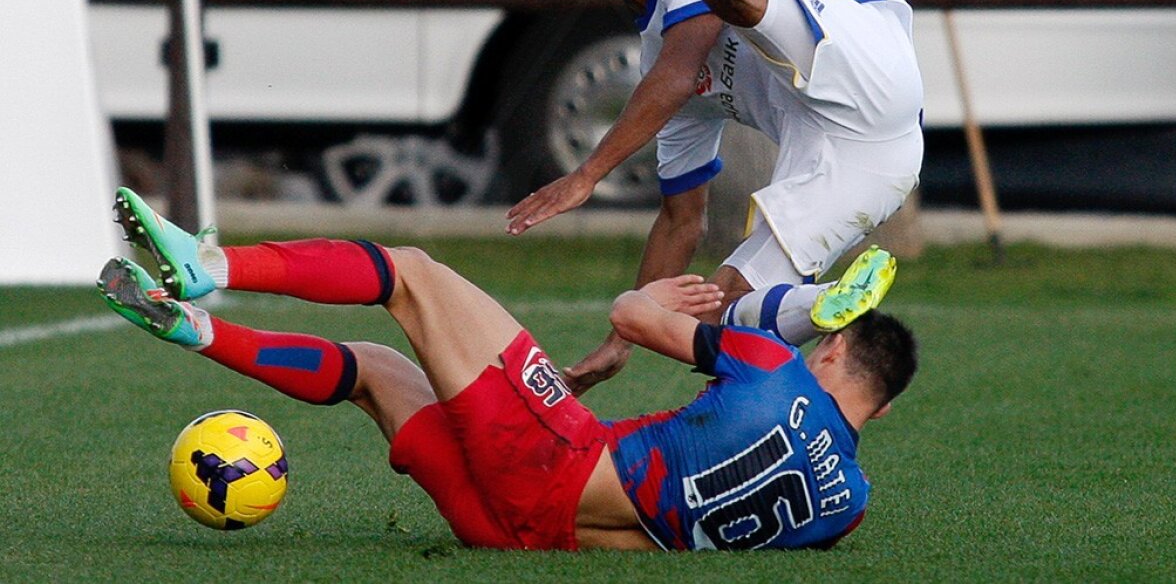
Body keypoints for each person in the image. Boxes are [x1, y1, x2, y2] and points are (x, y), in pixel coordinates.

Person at [99, 186, 917, 551]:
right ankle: (197, 329)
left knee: (412, 273)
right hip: (520, 537)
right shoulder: (847, 507)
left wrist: (658, 296)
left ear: (831, 347)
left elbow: (630, 318)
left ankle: (211, 265)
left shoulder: (775, 366)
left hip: (554, 462)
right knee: (378, 369)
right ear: (879, 410)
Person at [505, 0, 924, 392]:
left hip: (864, 65)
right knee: (716, 321)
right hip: (876, 158)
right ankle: (822, 303)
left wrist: (586, 175)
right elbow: (681, 220)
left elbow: (679, 74)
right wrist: (627, 334)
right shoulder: (659, 72)